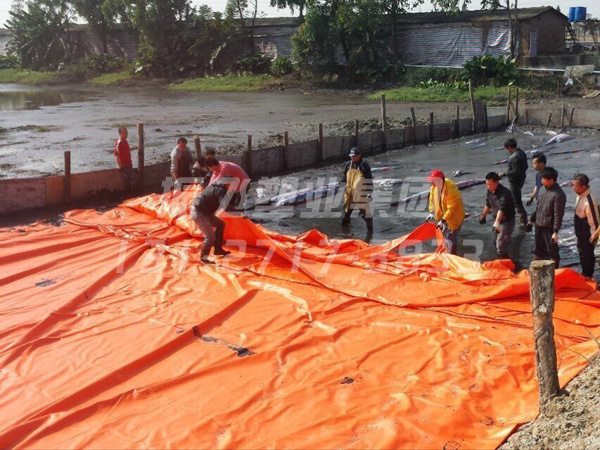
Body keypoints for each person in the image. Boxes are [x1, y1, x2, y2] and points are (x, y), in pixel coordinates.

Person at [526, 167, 566, 268]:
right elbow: (538, 207)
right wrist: (531, 220)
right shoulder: (542, 189)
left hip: (550, 227)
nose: (542, 181)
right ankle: (536, 271)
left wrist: (555, 231)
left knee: (552, 252)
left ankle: (556, 272)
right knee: (538, 249)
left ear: (551, 180)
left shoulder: (559, 194)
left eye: (544, 179)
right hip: (539, 224)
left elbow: (558, 214)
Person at [426, 170, 465, 255]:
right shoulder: (434, 187)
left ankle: (453, 257)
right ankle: (447, 254)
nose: (432, 182)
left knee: (450, 239)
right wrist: (431, 212)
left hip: (454, 217)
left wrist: (443, 221)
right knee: (443, 238)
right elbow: (432, 201)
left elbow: (452, 208)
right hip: (443, 215)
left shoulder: (451, 189)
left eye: (434, 180)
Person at [191, 182, 232, 264]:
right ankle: (204, 259)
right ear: (227, 183)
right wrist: (240, 213)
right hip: (199, 213)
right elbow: (225, 207)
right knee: (210, 237)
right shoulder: (220, 191)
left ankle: (218, 249)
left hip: (205, 212)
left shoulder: (215, 186)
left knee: (220, 224)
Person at [480, 172, 516, 260]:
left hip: (506, 221)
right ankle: (505, 253)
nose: (488, 187)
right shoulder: (489, 191)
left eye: (491, 184)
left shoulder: (505, 193)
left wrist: (497, 222)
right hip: (497, 220)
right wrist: (483, 215)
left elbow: (502, 208)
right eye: (487, 184)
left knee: (500, 245)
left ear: (497, 182)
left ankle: (506, 262)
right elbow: (488, 204)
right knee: (494, 241)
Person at [573, 174, 600, 278]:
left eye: (575, 186)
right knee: (582, 254)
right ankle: (585, 274)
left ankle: (588, 276)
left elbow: (594, 221)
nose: (573, 188)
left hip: (587, 234)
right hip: (580, 232)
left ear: (583, 186)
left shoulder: (589, 201)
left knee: (587, 256)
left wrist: (594, 236)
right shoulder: (580, 194)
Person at [341, 147, 373, 233]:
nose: (353, 158)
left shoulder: (364, 165)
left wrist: (369, 193)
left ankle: (370, 233)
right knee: (346, 213)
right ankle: (345, 233)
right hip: (349, 194)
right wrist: (340, 185)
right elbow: (344, 177)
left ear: (359, 155)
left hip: (360, 194)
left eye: (355, 156)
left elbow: (369, 180)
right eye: (351, 156)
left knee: (366, 214)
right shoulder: (348, 165)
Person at [500, 138, 528, 226]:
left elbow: (515, 172)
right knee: (513, 199)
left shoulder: (515, 157)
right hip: (521, 179)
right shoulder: (522, 153)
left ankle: (523, 221)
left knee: (517, 201)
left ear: (509, 147)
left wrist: (504, 174)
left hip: (515, 182)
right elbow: (526, 167)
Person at [114, 126, 139, 193]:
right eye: (124, 132)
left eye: (126, 132)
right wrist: (120, 166)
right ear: (120, 133)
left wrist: (136, 148)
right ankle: (133, 194)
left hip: (129, 164)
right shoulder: (119, 142)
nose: (126, 134)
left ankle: (130, 194)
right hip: (124, 165)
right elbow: (116, 155)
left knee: (128, 180)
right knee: (135, 178)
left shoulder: (125, 141)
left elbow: (127, 150)